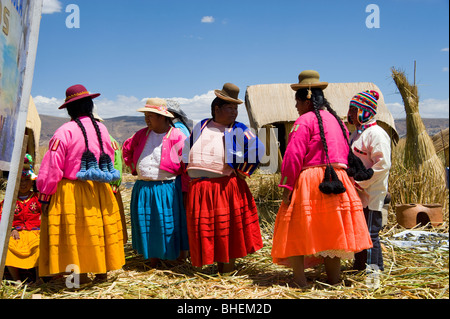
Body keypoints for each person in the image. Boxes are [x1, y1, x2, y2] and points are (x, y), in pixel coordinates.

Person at [271, 70, 373, 287]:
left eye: (297, 102)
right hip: (338, 179)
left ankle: (300, 281)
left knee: (295, 230)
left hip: (310, 180)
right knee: (332, 230)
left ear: (306, 99)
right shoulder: (337, 121)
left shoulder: (304, 121)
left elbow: (293, 156)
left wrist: (287, 186)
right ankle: (334, 281)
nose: (296, 107)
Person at [37, 84, 125, 284]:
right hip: (100, 190)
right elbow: (110, 158)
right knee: (98, 232)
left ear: (69, 109)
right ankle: (102, 273)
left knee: (77, 235)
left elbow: (53, 166)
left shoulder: (64, 131)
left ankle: (80, 278)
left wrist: (45, 194)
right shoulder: (102, 129)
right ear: (90, 106)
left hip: (73, 192)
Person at [182, 82, 265, 273]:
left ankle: (227, 269)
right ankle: (214, 266)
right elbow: (186, 150)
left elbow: (258, 148)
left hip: (224, 186)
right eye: (230, 108)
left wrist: (242, 169)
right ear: (216, 108)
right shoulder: (202, 125)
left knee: (226, 230)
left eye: (236, 108)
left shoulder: (238, 128)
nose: (234, 112)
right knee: (207, 230)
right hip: (199, 187)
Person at [122, 98, 189, 266]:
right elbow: (127, 150)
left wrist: (185, 189)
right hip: (144, 188)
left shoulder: (177, 136)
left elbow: (186, 164)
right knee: (148, 224)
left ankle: (173, 258)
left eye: (150, 115)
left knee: (168, 224)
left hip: (167, 188)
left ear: (162, 117)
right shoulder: (141, 135)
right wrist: (134, 167)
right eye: (146, 115)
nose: (146, 119)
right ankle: (152, 259)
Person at [347, 90, 391, 272]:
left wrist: (362, 181)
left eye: (353, 109)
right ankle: (359, 267)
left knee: (371, 234)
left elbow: (383, 164)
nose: (349, 113)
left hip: (372, 193)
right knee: (359, 232)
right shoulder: (356, 134)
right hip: (357, 192)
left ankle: (374, 272)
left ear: (364, 111)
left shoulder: (376, 134)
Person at [0, 154, 41, 283]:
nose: (23, 184)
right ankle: (16, 279)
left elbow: (46, 214)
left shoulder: (38, 199)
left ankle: (40, 277)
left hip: (35, 232)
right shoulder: (10, 201)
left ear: (32, 181)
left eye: (26, 180)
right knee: (7, 246)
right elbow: (2, 215)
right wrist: (11, 228)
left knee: (40, 245)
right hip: (16, 234)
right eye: (20, 181)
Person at [92, 105, 128, 244]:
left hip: (108, 187)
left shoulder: (108, 139)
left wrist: (113, 184)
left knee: (109, 220)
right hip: (98, 187)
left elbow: (117, 164)